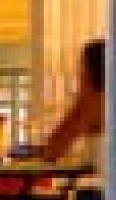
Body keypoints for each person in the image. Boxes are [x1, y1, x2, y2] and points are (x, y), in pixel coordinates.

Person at [45, 38, 110, 172]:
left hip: (101, 187)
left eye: (81, 65)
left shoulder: (91, 103)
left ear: (88, 71)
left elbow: (52, 151)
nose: (77, 71)